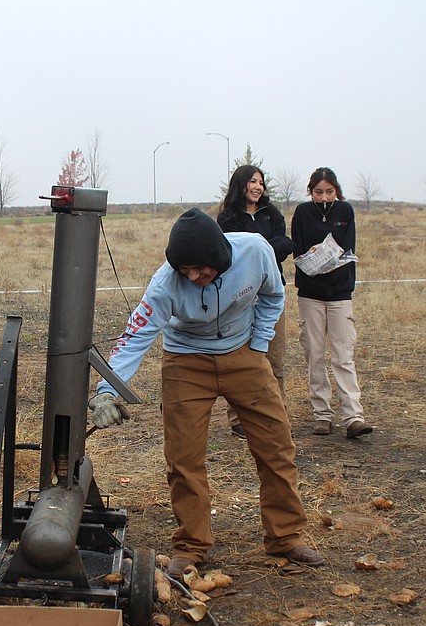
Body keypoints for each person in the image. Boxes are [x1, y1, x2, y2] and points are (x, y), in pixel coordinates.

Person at [88, 208, 326, 578]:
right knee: (183, 458)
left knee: (276, 446)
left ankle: (286, 537)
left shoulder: (255, 251)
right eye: (185, 270)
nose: (193, 277)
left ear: (219, 257)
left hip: (244, 355)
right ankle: (191, 545)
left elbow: (273, 295)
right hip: (186, 361)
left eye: (199, 269)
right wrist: (106, 390)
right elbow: (135, 336)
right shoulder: (165, 284)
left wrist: (259, 344)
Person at [290, 167, 374, 438]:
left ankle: (353, 416)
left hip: (339, 293)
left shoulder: (345, 211)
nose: (324, 196)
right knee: (314, 354)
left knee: (343, 355)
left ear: (336, 190)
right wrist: (317, 258)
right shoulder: (303, 213)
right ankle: (322, 414)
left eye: (329, 191)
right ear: (310, 191)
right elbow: (300, 250)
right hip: (310, 294)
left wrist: (326, 258)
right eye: (318, 192)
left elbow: (346, 248)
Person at [215, 165, 294, 439]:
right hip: (240, 297)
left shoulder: (271, 214)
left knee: (274, 358)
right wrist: (268, 247)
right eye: (252, 181)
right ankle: (239, 419)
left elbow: (286, 246)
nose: (258, 187)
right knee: (240, 358)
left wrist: (261, 248)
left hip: (272, 294)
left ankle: (277, 413)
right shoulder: (228, 218)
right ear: (241, 185)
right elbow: (230, 254)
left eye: (261, 182)